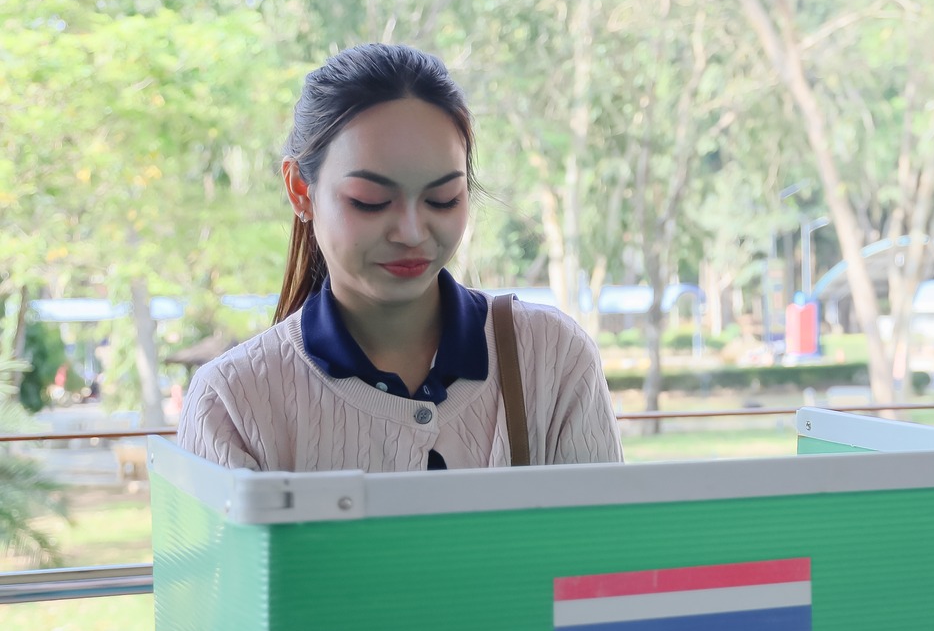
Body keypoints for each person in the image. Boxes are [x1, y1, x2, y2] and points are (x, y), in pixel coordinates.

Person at [179, 44, 622, 472]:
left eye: (443, 199)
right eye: (371, 201)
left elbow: (607, 544)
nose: (412, 233)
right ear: (300, 189)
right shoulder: (232, 403)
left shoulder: (552, 358)